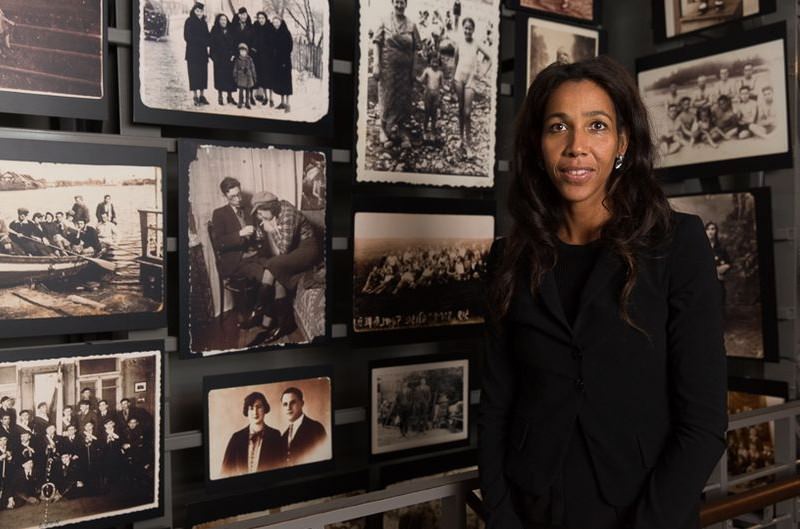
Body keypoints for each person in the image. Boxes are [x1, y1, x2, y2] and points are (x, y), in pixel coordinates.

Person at [478, 56, 726, 529]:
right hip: (534, 507)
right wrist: (502, 515)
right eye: (558, 127)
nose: (576, 147)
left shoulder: (678, 244)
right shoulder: (508, 257)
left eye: (596, 126)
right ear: (538, 144)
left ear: (622, 143)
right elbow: (495, 405)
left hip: (644, 509)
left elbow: (704, 423)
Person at [246, 192, 322, 346]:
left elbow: (282, 250)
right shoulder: (277, 210)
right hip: (296, 249)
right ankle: (279, 324)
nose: (260, 217)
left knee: (272, 265)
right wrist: (272, 226)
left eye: (261, 212)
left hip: (308, 249)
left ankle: (259, 311)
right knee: (277, 275)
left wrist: (272, 231)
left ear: (270, 207)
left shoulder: (288, 215)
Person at [372, 0, 420, 148]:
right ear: (392, 3)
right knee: (387, 97)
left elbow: (416, 48)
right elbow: (376, 42)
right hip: (388, 68)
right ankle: (383, 129)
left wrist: (414, 68)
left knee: (403, 100)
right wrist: (376, 64)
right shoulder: (384, 20)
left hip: (405, 71)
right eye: (397, 2)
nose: (399, 5)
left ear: (406, 4)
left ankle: (401, 130)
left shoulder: (412, 25)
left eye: (402, 2)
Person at [453, 17, 490, 158]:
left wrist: (482, 74)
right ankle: (460, 139)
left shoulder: (476, 43)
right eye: (465, 28)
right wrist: (453, 79)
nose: (467, 31)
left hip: (471, 81)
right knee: (460, 109)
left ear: (473, 29)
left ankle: (468, 145)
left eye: (470, 28)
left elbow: (489, 58)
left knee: (467, 112)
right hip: (459, 79)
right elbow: (455, 62)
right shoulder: (459, 43)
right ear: (463, 29)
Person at [221, 392, 284, 476]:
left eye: (259, 407)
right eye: (251, 408)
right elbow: (225, 472)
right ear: (247, 412)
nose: (255, 412)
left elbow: (281, 469)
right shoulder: (236, 438)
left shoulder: (275, 436)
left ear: (265, 409)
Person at [280, 387, 327, 465]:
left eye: (293, 402)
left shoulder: (316, 428)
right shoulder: (284, 436)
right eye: (285, 404)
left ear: (302, 403)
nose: (288, 408)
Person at [184, 2, 211, 106]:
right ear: (194, 11)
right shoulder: (189, 21)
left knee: (203, 74)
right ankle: (195, 96)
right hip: (192, 53)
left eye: (201, 11)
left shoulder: (204, 22)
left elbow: (208, 37)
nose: (199, 13)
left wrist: (208, 40)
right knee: (194, 74)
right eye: (197, 11)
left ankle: (202, 95)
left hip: (202, 54)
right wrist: (201, 41)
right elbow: (187, 37)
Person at [416, 53, 444, 143]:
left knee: (434, 114)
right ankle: (425, 131)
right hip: (428, 94)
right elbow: (421, 79)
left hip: (436, 95)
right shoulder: (427, 70)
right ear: (429, 62)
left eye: (436, 62)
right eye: (433, 61)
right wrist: (415, 78)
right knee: (427, 113)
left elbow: (442, 85)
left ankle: (433, 132)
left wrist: (442, 94)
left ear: (439, 63)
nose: (435, 64)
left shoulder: (440, 73)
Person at [230, 6, 255, 106]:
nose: (243, 16)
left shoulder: (250, 26)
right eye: (241, 14)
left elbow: (253, 39)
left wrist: (252, 50)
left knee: (249, 74)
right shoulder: (234, 26)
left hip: (248, 54)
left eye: (244, 14)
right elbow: (232, 40)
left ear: (247, 15)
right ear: (238, 15)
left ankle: (251, 96)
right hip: (238, 53)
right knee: (240, 74)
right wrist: (234, 52)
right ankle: (241, 98)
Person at [210, 13, 236, 106]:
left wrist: (234, 54)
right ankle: (220, 96)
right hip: (219, 59)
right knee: (219, 78)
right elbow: (212, 45)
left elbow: (235, 44)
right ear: (218, 21)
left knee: (230, 78)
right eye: (221, 20)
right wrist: (214, 58)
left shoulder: (231, 30)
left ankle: (230, 96)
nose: (223, 21)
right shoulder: (214, 30)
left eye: (225, 20)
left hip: (229, 58)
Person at [705, 221, 731, 308]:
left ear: (716, 231)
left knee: (719, 306)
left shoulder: (721, 249)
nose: (710, 231)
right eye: (708, 229)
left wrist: (723, 268)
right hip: (705, 283)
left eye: (713, 229)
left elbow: (729, 263)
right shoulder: (701, 248)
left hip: (718, 282)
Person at [271, 16, 293, 112]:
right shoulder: (275, 33)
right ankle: (282, 102)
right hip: (277, 62)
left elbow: (289, 47)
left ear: (280, 22)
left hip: (285, 62)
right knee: (280, 83)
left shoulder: (286, 33)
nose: (275, 24)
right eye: (274, 22)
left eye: (277, 22)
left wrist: (284, 61)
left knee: (286, 83)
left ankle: (288, 104)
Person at [252, 12, 274, 105]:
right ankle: (265, 97)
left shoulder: (270, 27)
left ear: (265, 18)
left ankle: (271, 99)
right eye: (259, 18)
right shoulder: (256, 27)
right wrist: (254, 48)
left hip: (268, 57)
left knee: (270, 78)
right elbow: (254, 40)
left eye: (262, 18)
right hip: (259, 57)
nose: (261, 20)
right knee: (262, 78)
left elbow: (272, 43)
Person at [233, 43, 257, 109]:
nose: (242, 52)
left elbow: (252, 68)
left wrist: (254, 76)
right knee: (241, 91)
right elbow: (235, 68)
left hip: (248, 77)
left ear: (247, 51)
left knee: (247, 91)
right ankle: (240, 102)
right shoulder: (238, 60)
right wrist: (235, 75)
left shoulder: (249, 59)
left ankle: (247, 102)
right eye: (241, 51)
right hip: (241, 77)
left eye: (244, 51)